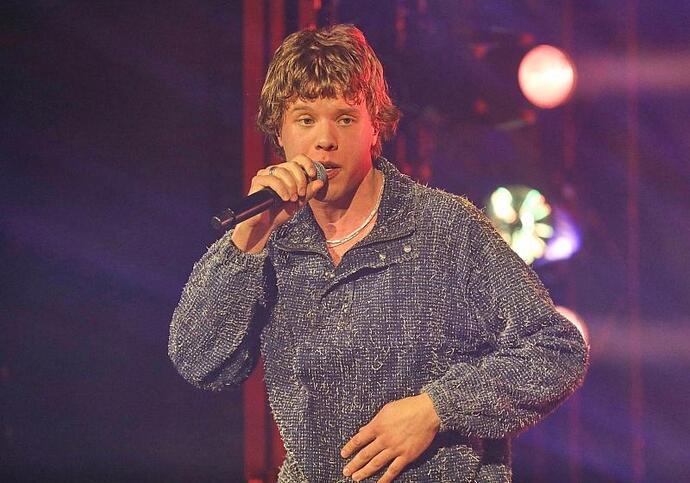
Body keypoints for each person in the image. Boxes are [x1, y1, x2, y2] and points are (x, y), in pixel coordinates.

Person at [168, 24, 588, 482]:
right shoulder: (270, 242)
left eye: (345, 118)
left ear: (375, 128)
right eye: (305, 119)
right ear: (279, 133)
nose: (325, 140)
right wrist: (247, 241)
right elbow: (198, 361)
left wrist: (436, 409)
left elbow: (557, 349)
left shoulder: (443, 228)